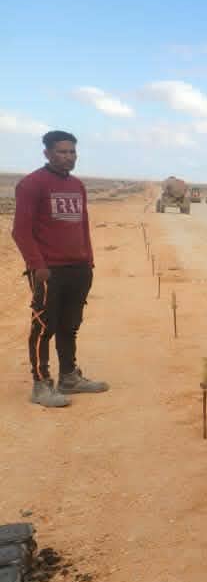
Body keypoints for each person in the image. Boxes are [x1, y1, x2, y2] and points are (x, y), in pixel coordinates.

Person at [11, 131, 109, 407]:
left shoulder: (77, 186)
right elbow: (20, 231)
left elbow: (83, 226)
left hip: (78, 269)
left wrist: (88, 261)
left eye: (72, 152)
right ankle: (41, 385)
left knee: (70, 325)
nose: (68, 157)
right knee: (44, 326)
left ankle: (69, 377)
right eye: (62, 152)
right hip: (49, 270)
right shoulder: (31, 184)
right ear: (47, 153)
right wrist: (37, 266)